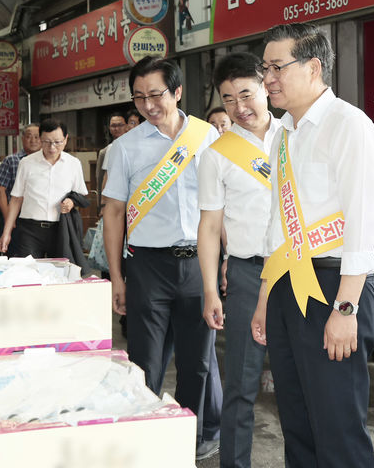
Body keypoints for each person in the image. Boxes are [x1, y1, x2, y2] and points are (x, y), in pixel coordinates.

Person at [253, 23, 374, 468]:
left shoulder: (348, 126)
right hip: (289, 288)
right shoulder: (285, 135)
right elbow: (278, 227)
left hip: (334, 289)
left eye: (277, 66)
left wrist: (346, 309)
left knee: (337, 428)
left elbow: (364, 223)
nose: (267, 77)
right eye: (264, 67)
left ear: (313, 67)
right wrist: (264, 298)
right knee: (298, 423)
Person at [102, 56, 222, 461]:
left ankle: (186, 440)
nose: (148, 105)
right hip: (147, 267)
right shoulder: (124, 149)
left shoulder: (208, 139)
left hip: (198, 265)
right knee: (144, 362)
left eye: (156, 95)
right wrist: (116, 276)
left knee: (198, 364)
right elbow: (114, 213)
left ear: (177, 92)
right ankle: (144, 441)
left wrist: (222, 265)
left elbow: (220, 209)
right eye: (139, 97)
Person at [198, 52, 281, 468]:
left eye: (246, 93)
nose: (239, 107)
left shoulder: (296, 136)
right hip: (249, 275)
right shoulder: (217, 153)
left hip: (301, 270)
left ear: (267, 85)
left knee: (304, 385)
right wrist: (211, 289)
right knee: (242, 385)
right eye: (228, 99)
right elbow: (210, 227)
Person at [0, 119, 88, 259]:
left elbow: (80, 195)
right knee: (27, 273)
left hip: (61, 229)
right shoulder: (26, 163)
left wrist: (71, 202)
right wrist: (6, 232)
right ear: (40, 139)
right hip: (29, 230)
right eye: (46, 142)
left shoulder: (73, 164)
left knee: (60, 274)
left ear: (66, 139)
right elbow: (16, 200)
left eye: (57, 142)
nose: (52, 147)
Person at [0, 123, 41, 256]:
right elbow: (0, 190)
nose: (33, 140)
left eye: (37, 137)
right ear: (22, 139)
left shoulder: (46, 162)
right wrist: (9, 217)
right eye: (29, 137)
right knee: (16, 257)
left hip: (37, 218)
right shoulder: (11, 160)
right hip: (16, 217)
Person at [96, 112, 127, 215]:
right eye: (113, 126)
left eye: (120, 125)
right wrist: (102, 204)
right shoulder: (107, 151)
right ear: (109, 128)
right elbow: (102, 179)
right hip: (113, 202)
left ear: (126, 126)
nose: (116, 128)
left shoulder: (134, 146)